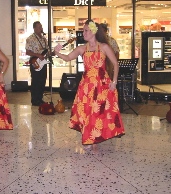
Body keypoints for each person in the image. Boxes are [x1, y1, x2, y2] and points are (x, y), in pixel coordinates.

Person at [54, 20, 125, 149]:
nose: (83, 33)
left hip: (102, 85)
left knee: (98, 113)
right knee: (87, 112)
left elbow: (115, 64)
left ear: (93, 31)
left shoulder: (103, 47)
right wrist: (57, 52)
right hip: (86, 86)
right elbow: (68, 58)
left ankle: (93, 137)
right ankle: (89, 137)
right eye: (83, 30)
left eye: (86, 30)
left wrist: (114, 82)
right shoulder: (82, 48)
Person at [26, 21, 53, 106]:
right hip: (35, 62)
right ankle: (34, 100)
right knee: (35, 81)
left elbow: (47, 51)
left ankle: (40, 99)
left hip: (43, 62)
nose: (40, 28)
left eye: (41, 27)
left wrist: (53, 53)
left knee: (42, 80)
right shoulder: (30, 38)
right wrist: (37, 55)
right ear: (34, 28)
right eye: (38, 27)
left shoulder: (44, 39)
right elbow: (28, 52)